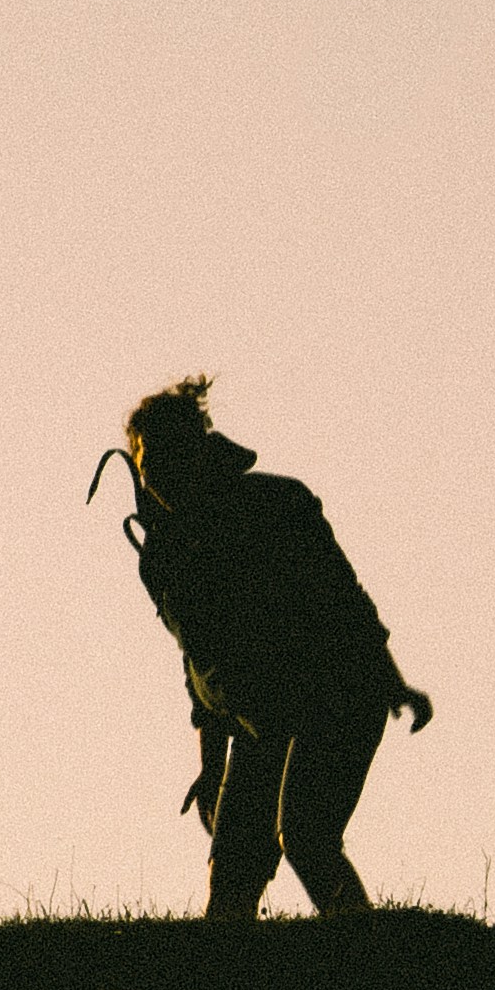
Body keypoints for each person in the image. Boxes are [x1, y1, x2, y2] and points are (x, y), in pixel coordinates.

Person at [105, 379, 432, 919]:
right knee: (230, 875)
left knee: (305, 835)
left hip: (338, 694)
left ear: (200, 451)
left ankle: (376, 963)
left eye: (170, 458)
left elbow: (346, 603)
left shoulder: (278, 503)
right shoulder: (162, 557)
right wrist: (211, 770)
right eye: (148, 465)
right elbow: (202, 669)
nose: (158, 476)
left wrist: (391, 681)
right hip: (264, 722)